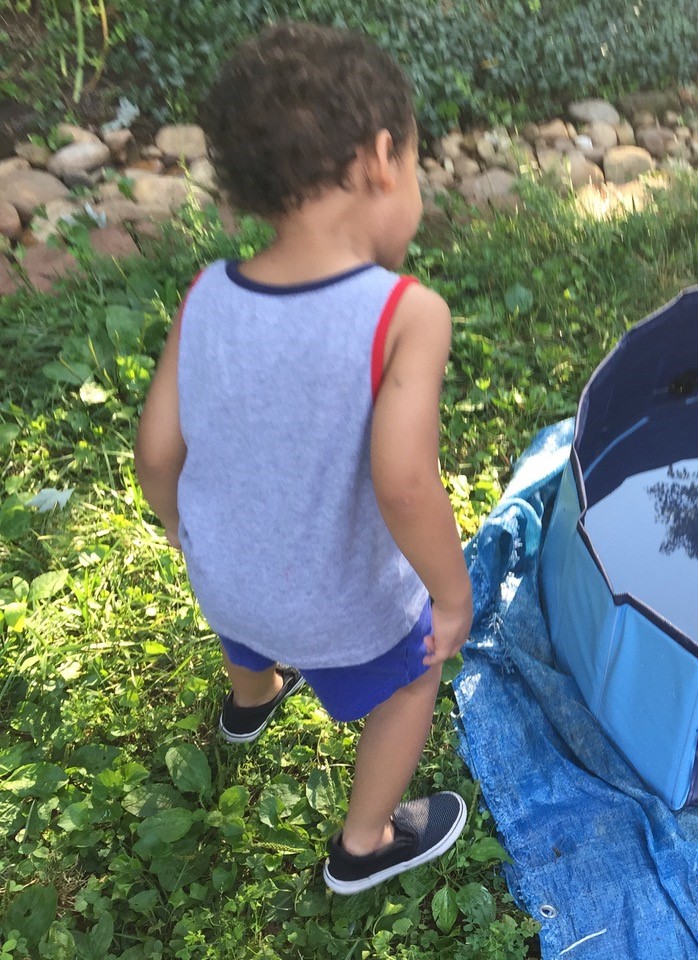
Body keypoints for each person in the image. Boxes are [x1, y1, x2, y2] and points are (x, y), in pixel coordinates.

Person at [133, 21, 473, 895]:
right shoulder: (406, 313)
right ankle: (364, 843)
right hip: (344, 610)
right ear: (381, 159)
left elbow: (156, 449)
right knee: (410, 681)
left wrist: (182, 530)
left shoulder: (205, 292)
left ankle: (251, 700)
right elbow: (404, 482)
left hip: (225, 584)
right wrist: (450, 593)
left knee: (247, 613)